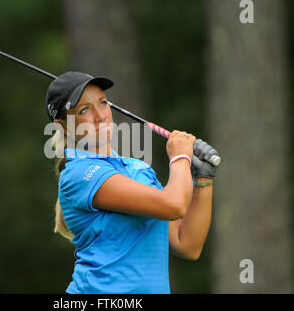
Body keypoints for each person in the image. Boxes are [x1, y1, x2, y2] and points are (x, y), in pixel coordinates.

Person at [45, 71, 219, 294]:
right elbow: (174, 205)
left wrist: (203, 179)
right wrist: (180, 158)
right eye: (84, 110)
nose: (100, 115)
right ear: (63, 126)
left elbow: (187, 244)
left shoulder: (137, 169)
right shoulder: (79, 174)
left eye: (103, 102)